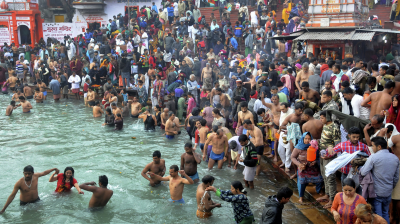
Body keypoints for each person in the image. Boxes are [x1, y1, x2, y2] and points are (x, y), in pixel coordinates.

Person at [360, 136, 399, 223]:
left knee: (378, 215)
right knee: (385, 213)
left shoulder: (374, 157)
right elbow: (396, 177)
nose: (372, 148)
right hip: (388, 192)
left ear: (379, 147)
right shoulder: (395, 158)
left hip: (376, 192)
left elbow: (363, 172)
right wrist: (390, 187)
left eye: (373, 146)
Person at [291, 132, 324, 203]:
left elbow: (318, 158)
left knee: (320, 178)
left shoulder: (314, 147)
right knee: (302, 181)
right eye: (305, 138)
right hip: (302, 168)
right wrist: (299, 165)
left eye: (309, 139)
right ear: (303, 139)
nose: (307, 140)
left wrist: (315, 162)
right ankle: (301, 196)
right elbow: (293, 157)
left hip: (312, 167)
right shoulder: (298, 147)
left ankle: (318, 190)